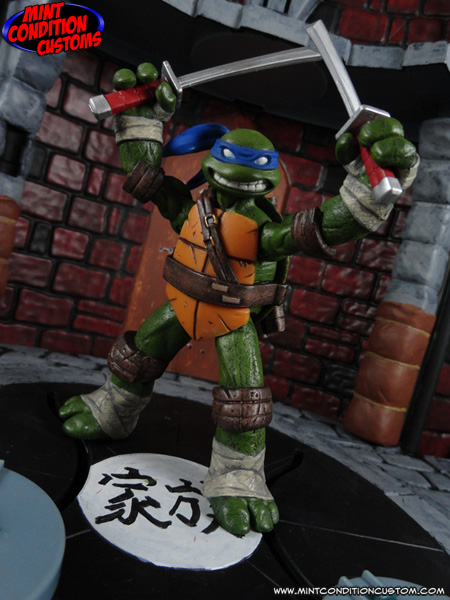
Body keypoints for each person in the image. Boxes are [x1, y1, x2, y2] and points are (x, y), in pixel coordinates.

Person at [59, 63, 419, 536]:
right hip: (182, 306)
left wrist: (370, 191)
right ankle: (114, 409)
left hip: (232, 318)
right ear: (212, 165)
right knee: (138, 352)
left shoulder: (263, 233)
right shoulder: (192, 208)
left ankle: (237, 474)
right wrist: (140, 123)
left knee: (244, 399)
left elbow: (323, 228)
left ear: (268, 180)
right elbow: (148, 179)